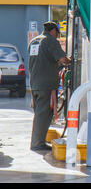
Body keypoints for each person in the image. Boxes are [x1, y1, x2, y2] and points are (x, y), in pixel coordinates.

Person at [28, 21, 71, 151]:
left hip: (35, 83)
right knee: (43, 114)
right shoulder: (50, 41)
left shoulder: (34, 41)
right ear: (53, 31)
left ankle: (37, 141)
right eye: (57, 34)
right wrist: (72, 60)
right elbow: (63, 59)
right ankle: (37, 144)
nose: (57, 36)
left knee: (39, 113)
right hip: (46, 84)